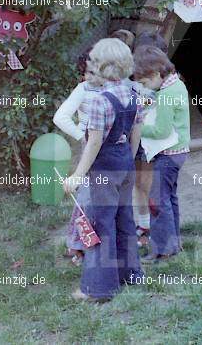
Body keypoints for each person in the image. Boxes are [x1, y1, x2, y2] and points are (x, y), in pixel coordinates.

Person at [63, 38, 145, 302]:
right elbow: (136, 133)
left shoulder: (99, 100)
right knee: (125, 220)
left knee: (100, 225)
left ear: (101, 65)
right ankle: (131, 275)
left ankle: (98, 289)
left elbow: (94, 142)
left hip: (104, 168)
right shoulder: (135, 94)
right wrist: (128, 162)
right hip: (125, 163)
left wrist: (77, 175)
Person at [133, 45, 191, 263]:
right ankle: (174, 243)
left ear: (156, 74)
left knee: (157, 202)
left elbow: (161, 131)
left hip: (167, 154)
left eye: (145, 83)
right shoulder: (177, 85)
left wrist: (136, 127)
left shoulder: (166, 94)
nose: (144, 87)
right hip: (179, 153)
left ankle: (161, 250)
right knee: (169, 199)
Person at [53, 48, 104, 266]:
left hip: (110, 148)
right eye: (88, 72)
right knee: (87, 197)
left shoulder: (115, 88)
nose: (92, 77)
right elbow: (61, 117)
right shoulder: (83, 90)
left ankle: (99, 241)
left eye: (97, 72)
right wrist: (80, 135)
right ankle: (78, 244)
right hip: (91, 147)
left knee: (104, 196)